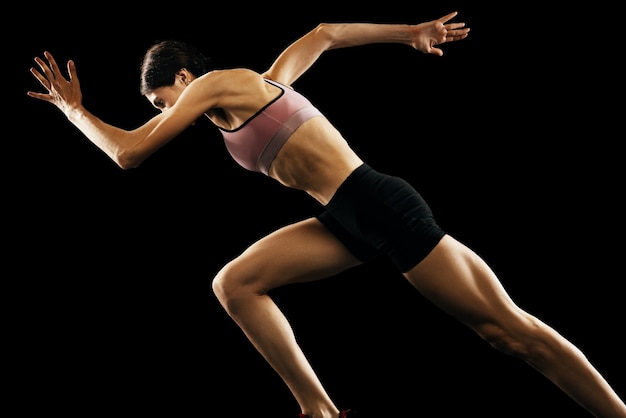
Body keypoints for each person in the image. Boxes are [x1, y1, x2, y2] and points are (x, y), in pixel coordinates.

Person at [27, 11, 625, 418]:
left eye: (163, 102)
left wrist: (76, 113)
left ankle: (615, 413)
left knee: (507, 333)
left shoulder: (216, 82)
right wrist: (407, 32)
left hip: (377, 205)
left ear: (184, 76)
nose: (164, 115)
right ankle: (318, 409)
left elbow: (129, 153)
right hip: (342, 219)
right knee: (234, 284)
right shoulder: (258, 87)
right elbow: (325, 34)